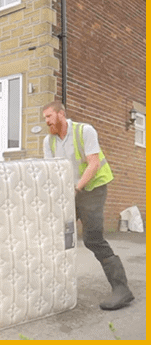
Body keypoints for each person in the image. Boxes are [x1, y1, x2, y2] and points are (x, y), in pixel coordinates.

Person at [42, 100, 134, 310]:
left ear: (61, 114)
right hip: (70, 191)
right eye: (45, 118)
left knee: (93, 238)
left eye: (49, 116)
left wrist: (76, 189)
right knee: (55, 235)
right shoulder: (50, 141)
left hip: (93, 188)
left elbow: (93, 163)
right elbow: (50, 171)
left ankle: (122, 290)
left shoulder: (84, 131)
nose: (46, 121)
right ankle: (55, 287)